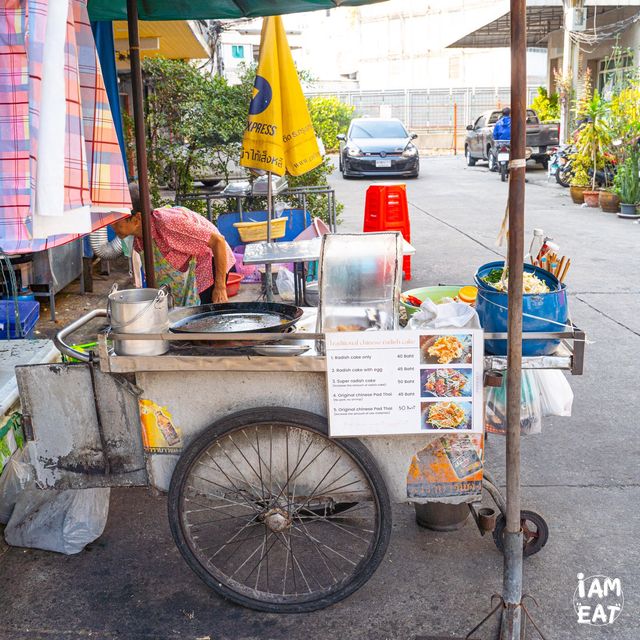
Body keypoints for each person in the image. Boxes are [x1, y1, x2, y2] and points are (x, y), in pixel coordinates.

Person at [112, 183, 235, 306]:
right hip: (184, 277)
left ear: (137, 219)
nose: (112, 225)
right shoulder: (137, 240)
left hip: (210, 263)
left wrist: (220, 287)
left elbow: (218, 242)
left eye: (117, 220)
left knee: (203, 315)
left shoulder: (168, 224)